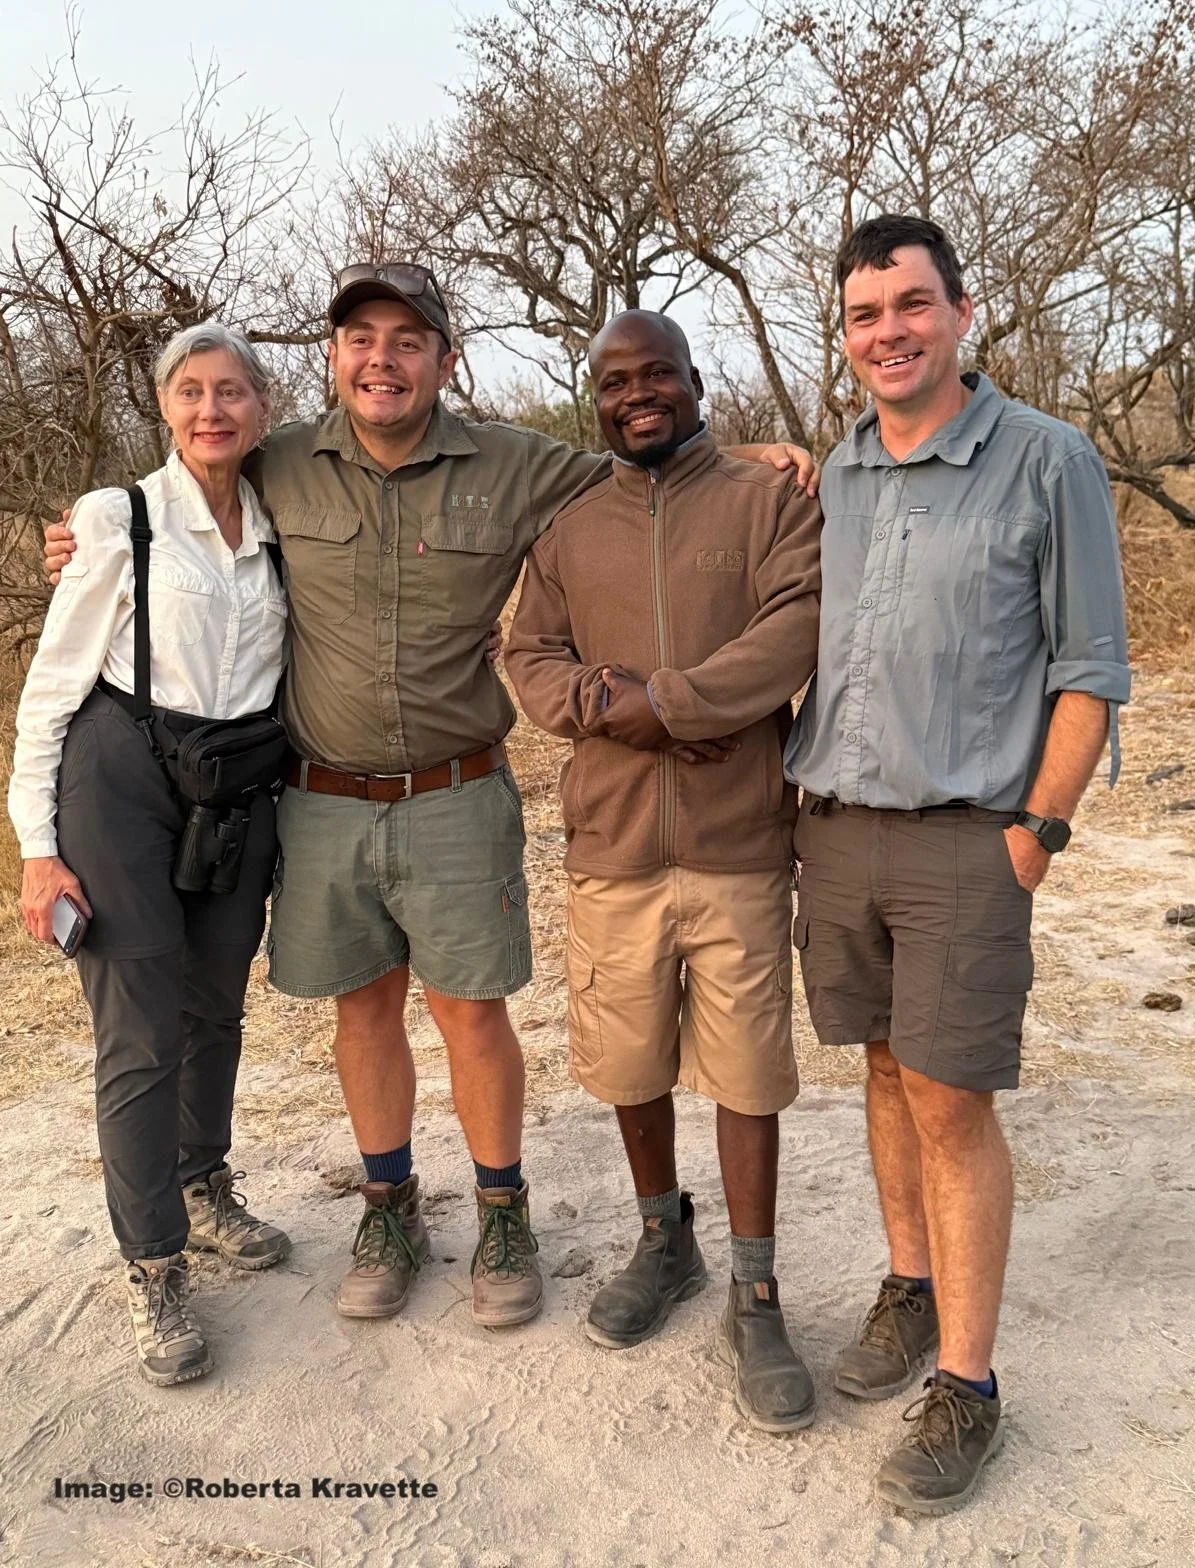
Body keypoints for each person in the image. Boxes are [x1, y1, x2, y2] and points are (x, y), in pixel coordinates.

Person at [44, 263, 818, 1332]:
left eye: (408, 339)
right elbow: (191, 480)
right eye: (360, 337)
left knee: (469, 1010)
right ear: (331, 359)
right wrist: (88, 536)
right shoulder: (279, 463)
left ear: (445, 361)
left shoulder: (513, 464)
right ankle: (389, 1204)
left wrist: (753, 461)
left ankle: (503, 1209)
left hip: (457, 789)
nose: (382, 358)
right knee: (364, 1007)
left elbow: (648, 459)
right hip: (320, 794)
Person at [787, 216, 1130, 1510]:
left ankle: (969, 1384)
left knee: (950, 1099)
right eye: (866, 313)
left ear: (962, 310)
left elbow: (1093, 669)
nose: (890, 331)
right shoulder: (842, 470)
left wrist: (1034, 837)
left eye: (911, 305)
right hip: (838, 830)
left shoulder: (1049, 461)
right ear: (847, 332)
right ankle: (908, 1284)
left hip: (970, 841)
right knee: (883, 1068)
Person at [506, 311, 822, 1430]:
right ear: (594, 397)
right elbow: (528, 658)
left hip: (741, 842)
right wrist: (620, 711)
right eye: (615, 381)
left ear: (696, 382)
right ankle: (663, 1237)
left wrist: (676, 699)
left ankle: (756, 1284)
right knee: (629, 1057)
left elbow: (798, 627)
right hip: (614, 848)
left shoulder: (766, 500)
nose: (639, 395)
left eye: (659, 376)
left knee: (746, 1074)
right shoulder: (570, 522)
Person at [10, 323, 291, 1386]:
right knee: (139, 1020)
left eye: (232, 392)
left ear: (264, 408)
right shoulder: (113, 519)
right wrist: (39, 849)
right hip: (120, 776)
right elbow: (51, 687)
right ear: (164, 409)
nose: (212, 410)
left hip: (237, 786)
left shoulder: (281, 523)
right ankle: (155, 1260)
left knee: (217, 1000)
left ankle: (203, 1181)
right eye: (190, 392)